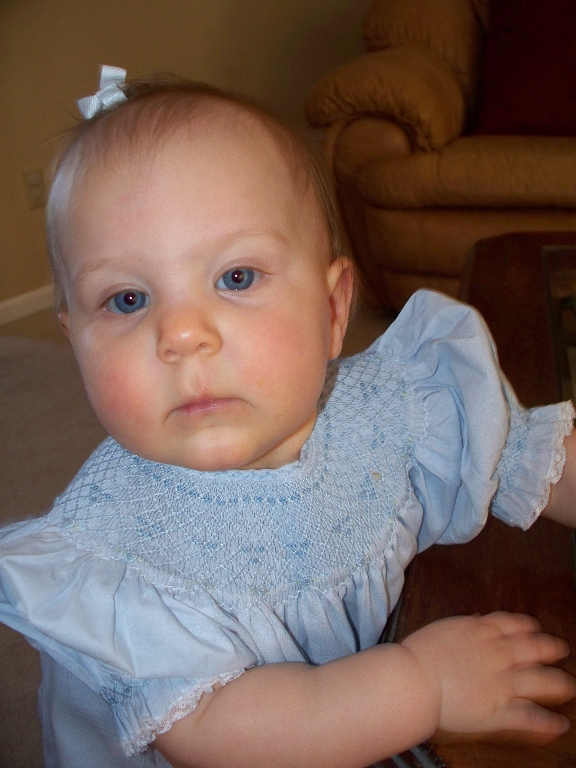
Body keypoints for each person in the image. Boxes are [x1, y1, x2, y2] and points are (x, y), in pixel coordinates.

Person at [2, 65, 576, 768]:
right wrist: (421, 685)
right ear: (75, 340)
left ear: (333, 311)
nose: (181, 335)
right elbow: (218, 732)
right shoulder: (119, 557)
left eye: (235, 278)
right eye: (127, 300)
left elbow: (518, 449)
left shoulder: (391, 409)